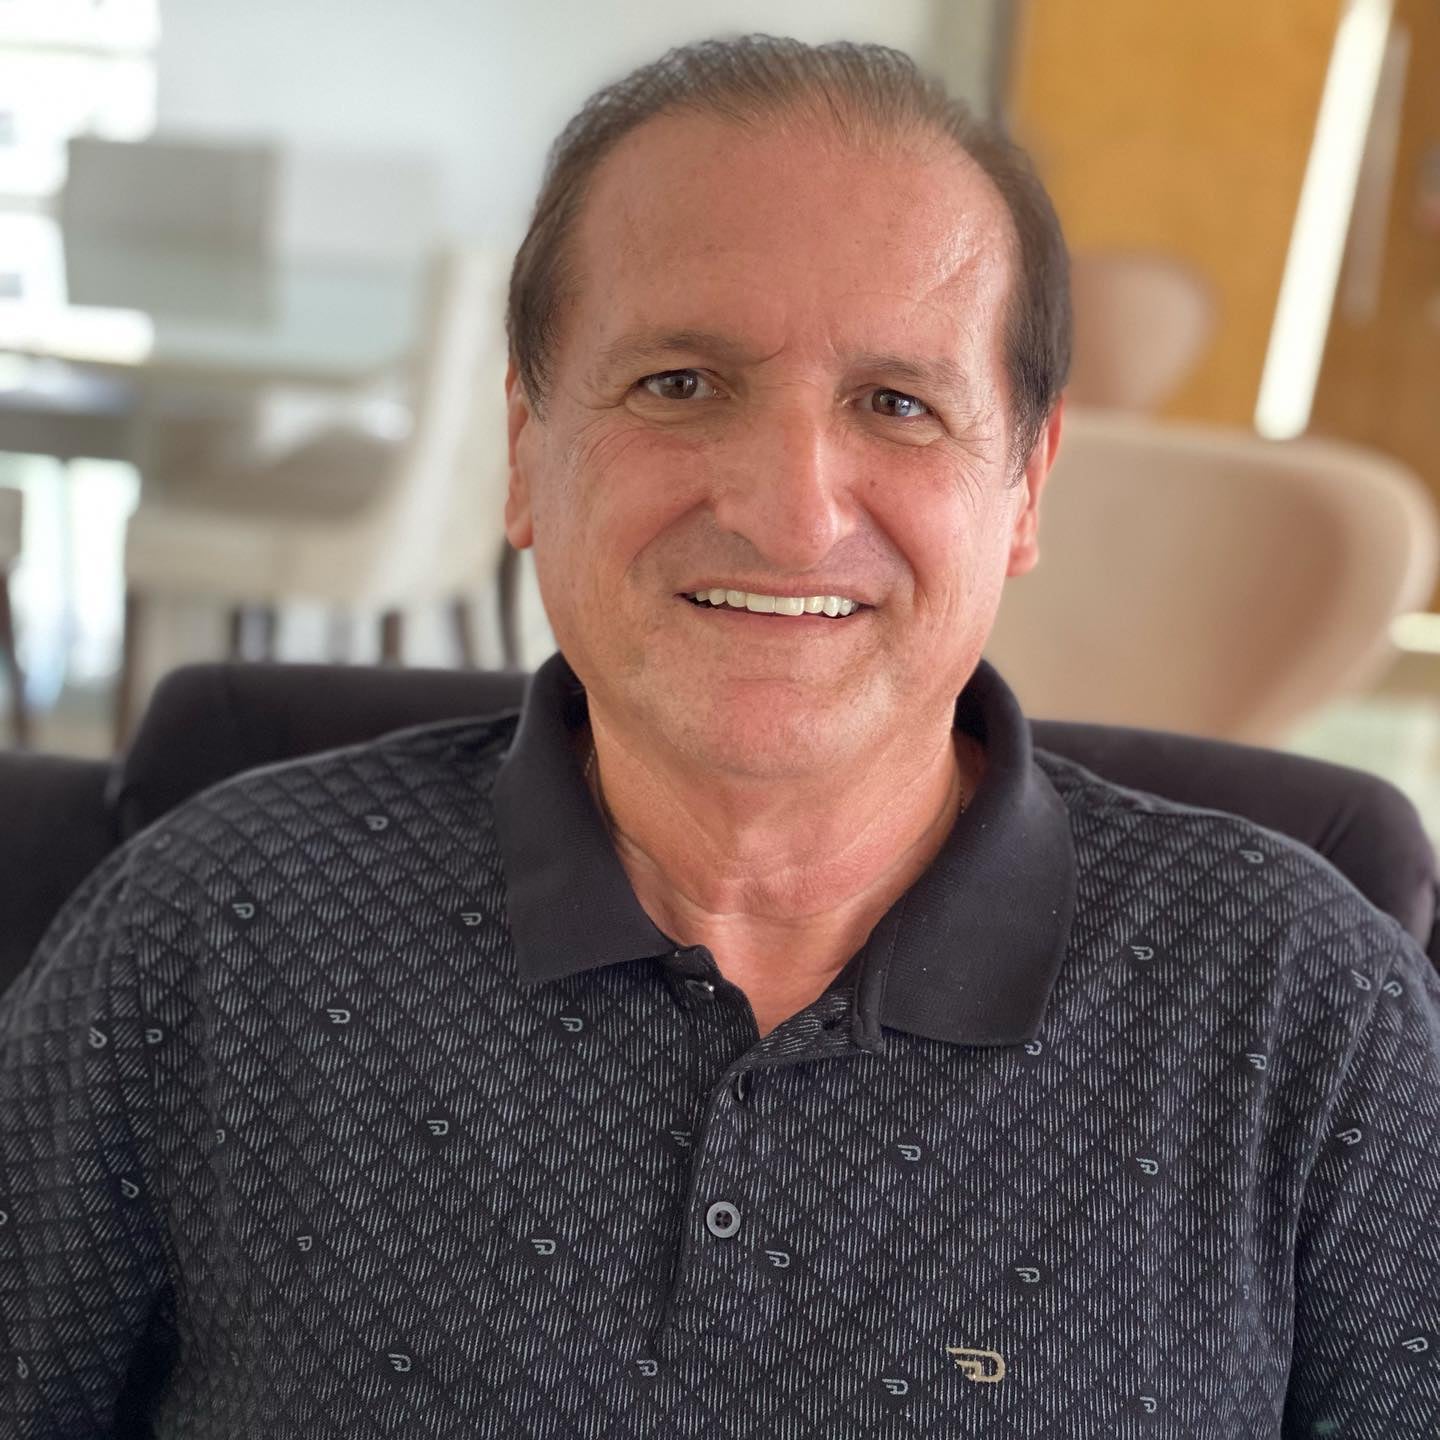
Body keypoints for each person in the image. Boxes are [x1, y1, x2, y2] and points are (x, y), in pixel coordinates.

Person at [3, 35, 1439, 1440]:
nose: (791, 511)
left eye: (898, 403)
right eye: (680, 384)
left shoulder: (1305, 1016)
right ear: (526, 449)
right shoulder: (211, 935)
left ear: (1024, 485)